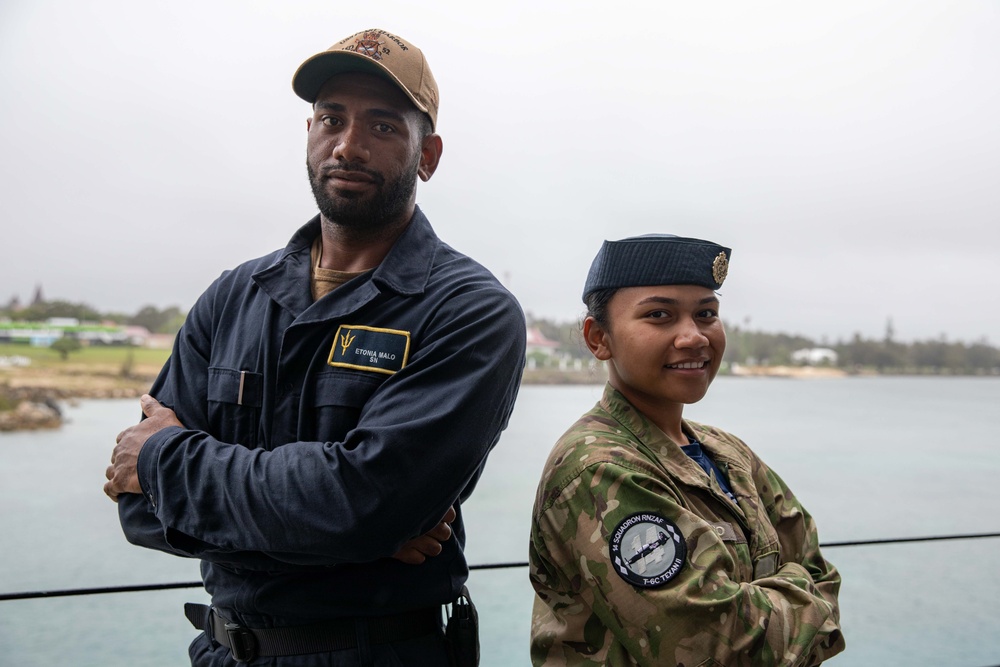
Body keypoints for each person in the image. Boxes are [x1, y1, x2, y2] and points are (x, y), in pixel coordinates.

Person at [104, 28, 526, 666]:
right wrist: (362, 536)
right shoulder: (233, 297)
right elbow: (138, 511)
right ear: (309, 133)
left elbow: (359, 506)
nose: (349, 145)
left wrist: (166, 459)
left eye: (384, 127)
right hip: (223, 653)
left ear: (428, 155)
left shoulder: (469, 310)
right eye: (332, 118)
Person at [528, 235, 845, 666]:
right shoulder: (599, 470)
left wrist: (762, 607)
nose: (693, 337)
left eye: (706, 314)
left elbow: (821, 572)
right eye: (659, 315)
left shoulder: (727, 453)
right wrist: (802, 602)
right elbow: (717, 649)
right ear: (599, 337)